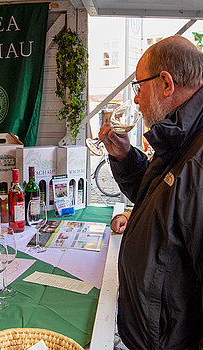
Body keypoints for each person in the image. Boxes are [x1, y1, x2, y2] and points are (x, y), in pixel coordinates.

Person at [99, 35, 203, 349]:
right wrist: (125, 157)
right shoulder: (181, 134)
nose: (136, 99)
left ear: (166, 84)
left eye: (139, 87)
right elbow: (160, 199)